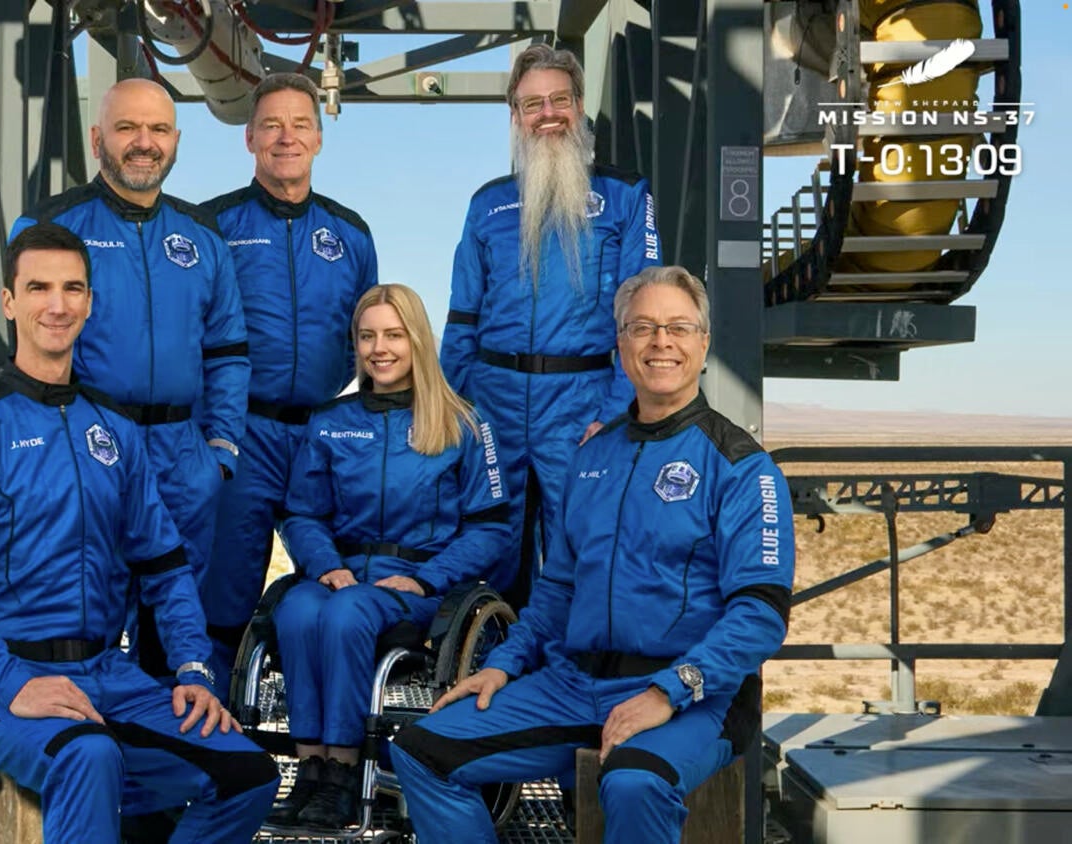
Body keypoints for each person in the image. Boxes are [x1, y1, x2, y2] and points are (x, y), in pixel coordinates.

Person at [0, 223, 277, 843]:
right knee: (89, 757)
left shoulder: (115, 430)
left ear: (90, 303)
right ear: (9, 302)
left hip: (109, 679)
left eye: (73, 288)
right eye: (39, 287)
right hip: (0, 689)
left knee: (246, 774)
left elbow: (164, 566)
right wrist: (9, 681)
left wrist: (192, 669)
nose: (58, 304)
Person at [394, 266, 796, 844]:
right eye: (643, 327)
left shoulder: (740, 466)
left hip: (693, 694)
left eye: (679, 327)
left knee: (634, 783)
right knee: (421, 752)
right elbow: (556, 588)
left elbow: (761, 614)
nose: (661, 341)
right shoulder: (590, 458)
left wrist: (668, 692)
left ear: (703, 344)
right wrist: (503, 665)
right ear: (620, 345)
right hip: (574, 684)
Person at [8, 78, 250, 680]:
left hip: (183, 457)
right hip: (92, 450)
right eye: (127, 128)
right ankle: (91, 759)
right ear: (97, 140)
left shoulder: (202, 237)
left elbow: (228, 352)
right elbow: (26, 347)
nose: (144, 143)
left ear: (175, 141)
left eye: (159, 130)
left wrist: (218, 451)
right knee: (86, 612)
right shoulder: (52, 226)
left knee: (178, 618)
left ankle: (168, 757)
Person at [268, 284, 511, 830]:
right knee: (298, 610)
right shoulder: (329, 421)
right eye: (367, 335)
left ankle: (346, 771)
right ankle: (312, 770)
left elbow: (492, 529)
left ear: (418, 341)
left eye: (394, 335)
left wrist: (427, 581)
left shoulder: (464, 423)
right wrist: (325, 564)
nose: (380, 348)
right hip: (339, 573)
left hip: (421, 586)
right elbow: (301, 513)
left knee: (348, 612)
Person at [440, 44, 663, 605]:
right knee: (488, 554)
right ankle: (491, 674)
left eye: (559, 100)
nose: (547, 114)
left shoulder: (626, 197)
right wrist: (454, 409)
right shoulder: (486, 205)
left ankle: (573, 681)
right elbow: (462, 319)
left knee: (586, 553)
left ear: (580, 106)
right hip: (494, 404)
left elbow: (645, 317)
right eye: (532, 103)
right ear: (515, 116)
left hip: (583, 405)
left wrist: (615, 414)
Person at [201, 73, 380, 697]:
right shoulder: (212, 226)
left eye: (300, 124)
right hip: (241, 433)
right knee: (222, 594)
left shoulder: (351, 233)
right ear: (249, 138)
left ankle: (326, 756)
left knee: (333, 589)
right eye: (272, 125)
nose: (286, 137)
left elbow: (372, 344)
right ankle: (213, 747)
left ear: (319, 140)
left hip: (324, 435)